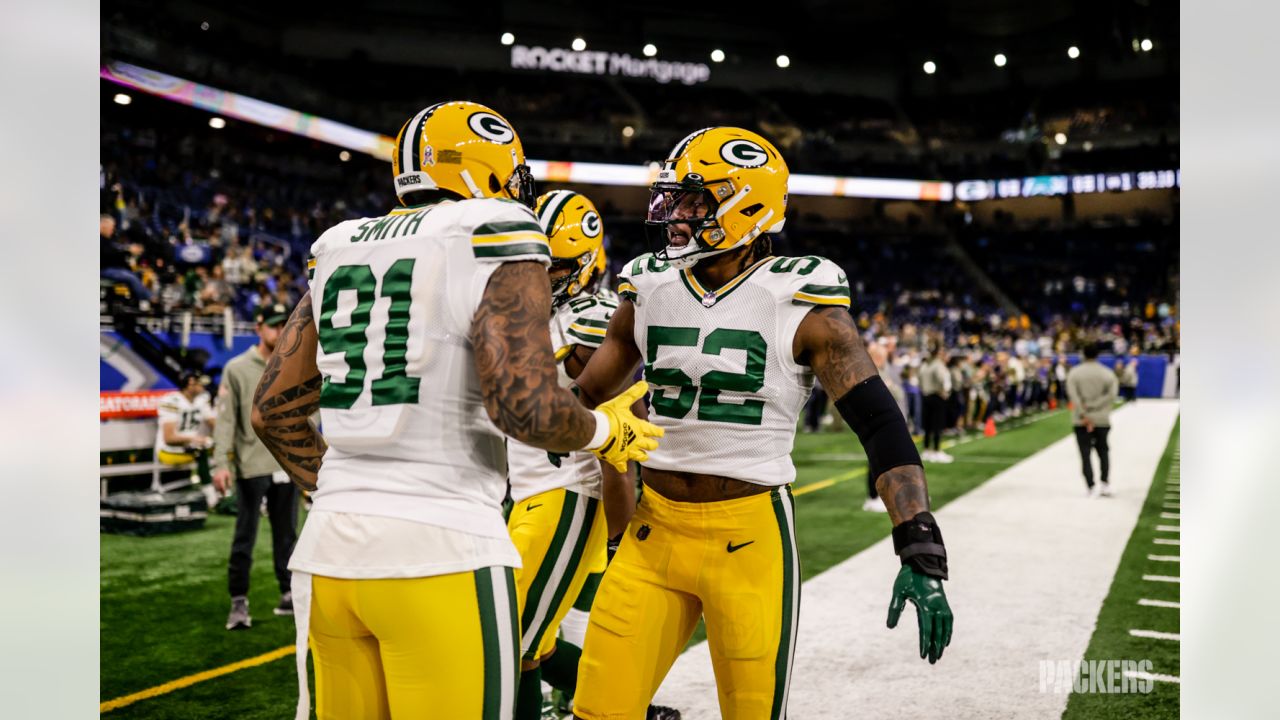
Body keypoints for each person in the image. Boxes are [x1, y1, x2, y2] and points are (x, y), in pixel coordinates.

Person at [250, 101, 662, 720]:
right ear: (489, 169)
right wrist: (608, 431)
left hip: (328, 555)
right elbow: (526, 410)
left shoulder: (337, 245)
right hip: (440, 549)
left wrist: (340, 491)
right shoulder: (492, 227)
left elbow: (272, 412)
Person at [568, 127, 953, 719]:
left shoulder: (799, 297)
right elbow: (584, 395)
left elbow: (880, 426)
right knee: (597, 711)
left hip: (749, 541)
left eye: (694, 200)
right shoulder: (646, 285)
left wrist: (919, 546)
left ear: (746, 203)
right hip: (654, 531)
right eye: (673, 198)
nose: (674, 214)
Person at [505, 190, 680, 720]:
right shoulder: (533, 314)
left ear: (585, 263)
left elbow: (620, 431)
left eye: (553, 266)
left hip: (568, 496)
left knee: (511, 644)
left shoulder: (593, 318)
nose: (538, 276)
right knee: (531, 639)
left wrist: (618, 529)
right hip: (532, 493)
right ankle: (635, 709)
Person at [212, 302, 300, 630]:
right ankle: (238, 601)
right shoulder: (236, 368)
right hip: (250, 466)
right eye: (274, 325)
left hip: (283, 463)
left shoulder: (293, 364)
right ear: (259, 328)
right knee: (245, 537)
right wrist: (221, 463)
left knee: (288, 534)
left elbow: (307, 410)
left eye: (284, 325)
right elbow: (225, 421)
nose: (280, 331)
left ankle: (288, 592)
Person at [1066, 343, 1120, 497]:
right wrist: (1096, 406)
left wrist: (1084, 412)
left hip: (1081, 420)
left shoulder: (1074, 373)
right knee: (1103, 451)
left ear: (1083, 354)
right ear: (1098, 355)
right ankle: (1104, 483)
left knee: (1085, 454)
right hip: (1101, 418)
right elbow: (1112, 395)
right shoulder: (1107, 373)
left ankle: (1090, 486)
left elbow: (1073, 396)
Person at [862, 342, 905, 513]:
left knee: (887, 460)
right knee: (875, 460)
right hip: (875, 422)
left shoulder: (883, 371)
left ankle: (883, 495)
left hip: (886, 422)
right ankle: (872, 497)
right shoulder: (868, 373)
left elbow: (899, 394)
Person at [154, 370, 214, 484]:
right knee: (201, 451)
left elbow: (213, 423)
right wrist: (194, 439)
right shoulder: (171, 401)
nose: (203, 386)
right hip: (169, 450)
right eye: (199, 382)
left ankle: (222, 488)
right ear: (191, 383)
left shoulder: (202, 398)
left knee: (226, 448)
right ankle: (210, 493)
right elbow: (169, 438)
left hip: (193, 447)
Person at [919, 346, 953, 463]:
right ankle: (937, 451)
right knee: (938, 424)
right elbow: (941, 380)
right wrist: (943, 391)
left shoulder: (924, 365)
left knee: (928, 425)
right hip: (937, 396)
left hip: (926, 396)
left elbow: (920, 380)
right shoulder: (938, 365)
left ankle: (927, 450)